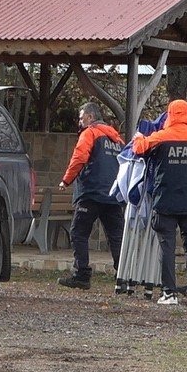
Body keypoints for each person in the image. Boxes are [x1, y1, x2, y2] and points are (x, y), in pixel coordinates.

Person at [132, 99, 187, 306]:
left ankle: (169, 293)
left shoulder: (161, 137)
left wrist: (138, 136)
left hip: (165, 201)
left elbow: (139, 148)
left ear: (170, 114)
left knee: (167, 248)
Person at [56, 102, 125, 290]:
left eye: (81, 117)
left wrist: (66, 180)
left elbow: (79, 157)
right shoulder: (117, 139)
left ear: (90, 117)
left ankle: (82, 275)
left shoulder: (90, 133)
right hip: (113, 195)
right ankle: (123, 277)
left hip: (91, 193)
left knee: (78, 232)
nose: (79, 121)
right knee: (117, 236)